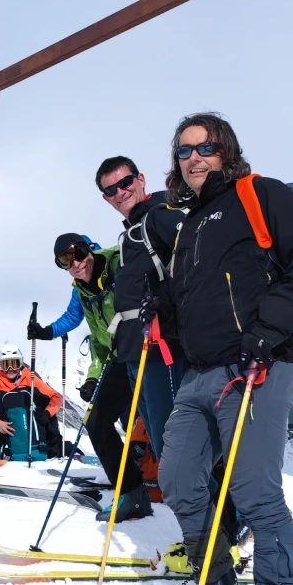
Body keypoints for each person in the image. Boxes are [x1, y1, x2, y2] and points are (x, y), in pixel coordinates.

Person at [141, 112, 293, 585]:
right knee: (178, 478)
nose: (193, 158)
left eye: (204, 148)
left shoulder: (260, 195)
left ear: (225, 151)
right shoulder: (190, 225)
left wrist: (266, 331)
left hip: (260, 365)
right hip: (202, 374)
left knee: (253, 490)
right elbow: (209, 304)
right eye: (184, 151)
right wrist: (167, 308)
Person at [28, 233, 151, 522]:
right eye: (65, 261)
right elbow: (88, 332)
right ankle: (132, 493)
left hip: (148, 352)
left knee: (165, 430)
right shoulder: (81, 292)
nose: (75, 263)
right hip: (118, 359)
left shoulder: (119, 264)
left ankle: (227, 505)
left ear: (90, 250)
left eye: (78, 253)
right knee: (96, 422)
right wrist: (47, 332)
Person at [94, 156, 187, 461]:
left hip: (162, 349)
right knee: (163, 449)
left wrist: (170, 307)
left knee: (172, 450)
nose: (120, 192)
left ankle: (220, 510)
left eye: (125, 182)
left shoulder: (161, 217)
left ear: (141, 178)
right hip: (136, 352)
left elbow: (197, 265)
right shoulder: (132, 235)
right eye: (111, 190)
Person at [0, 344, 63, 460]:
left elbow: (56, 397)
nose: (10, 369)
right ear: (0, 366)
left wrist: (47, 413)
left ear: (21, 364)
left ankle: (48, 443)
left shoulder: (30, 378)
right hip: (5, 424)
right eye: (5, 365)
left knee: (40, 396)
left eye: (14, 364)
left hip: (28, 420)